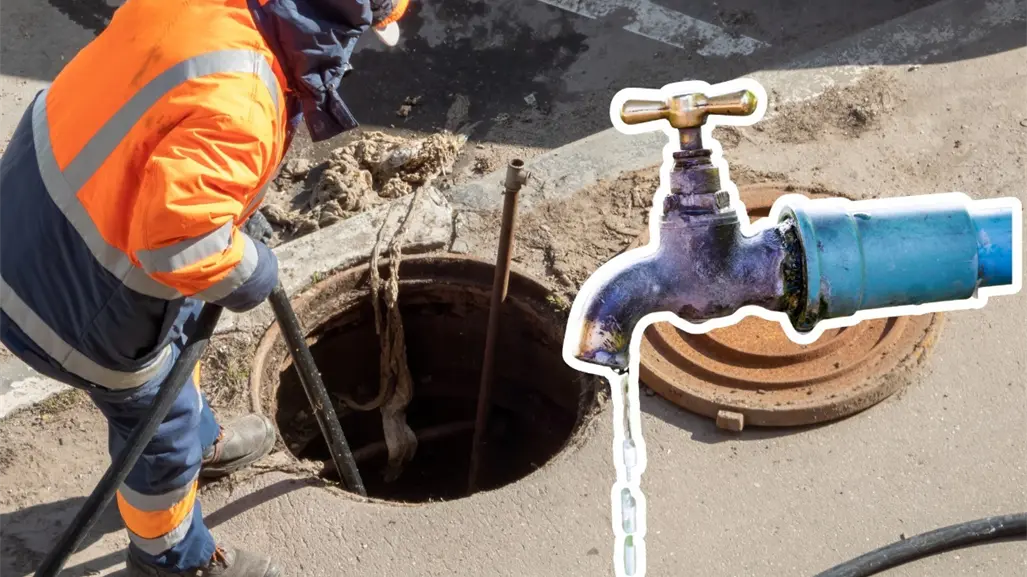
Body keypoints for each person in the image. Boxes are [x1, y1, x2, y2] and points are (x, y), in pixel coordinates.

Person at [0, 0, 409, 575]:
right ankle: (171, 556)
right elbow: (175, 245)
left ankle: (204, 441)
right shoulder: (244, 101)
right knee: (158, 435)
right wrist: (252, 269)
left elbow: (163, 137)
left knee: (184, 323)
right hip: (74, 301)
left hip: (32, 211)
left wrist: (227, 214)